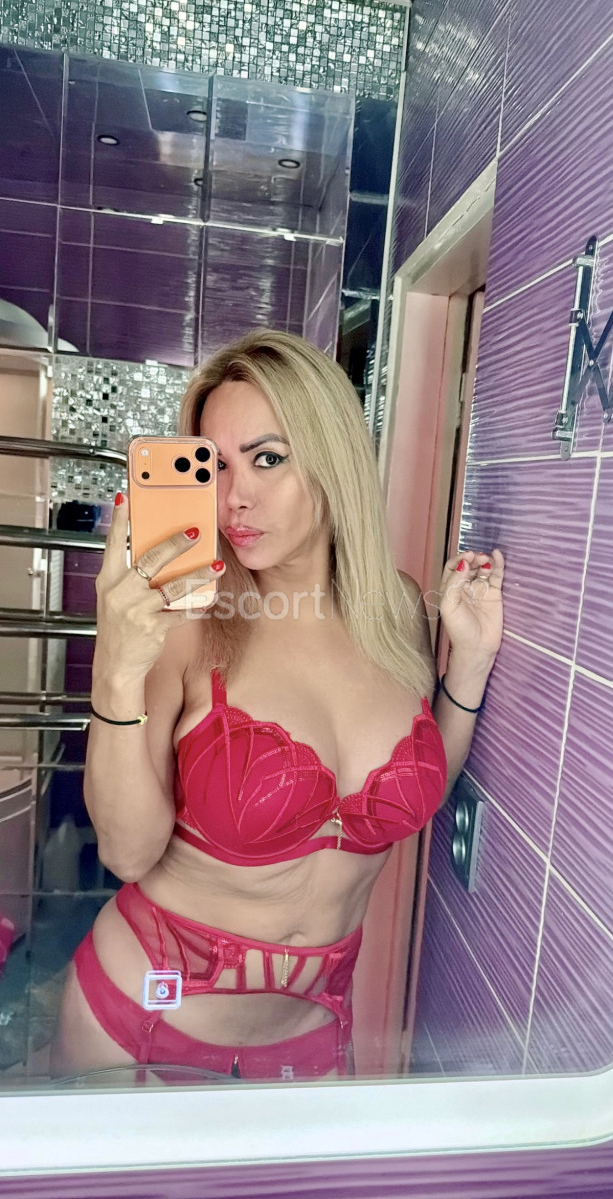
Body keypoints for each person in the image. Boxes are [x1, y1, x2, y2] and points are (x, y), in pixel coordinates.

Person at [51, 330, 504, 1083]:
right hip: (144, 1019)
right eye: (213, 466)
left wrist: (473, 662)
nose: (234, 498)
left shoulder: (393, 607)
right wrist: (118, 668)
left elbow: (422, 788)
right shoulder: (187, 621)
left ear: (331, 458)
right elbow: (127, 855)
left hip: (313, 1031)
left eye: (266, 459)